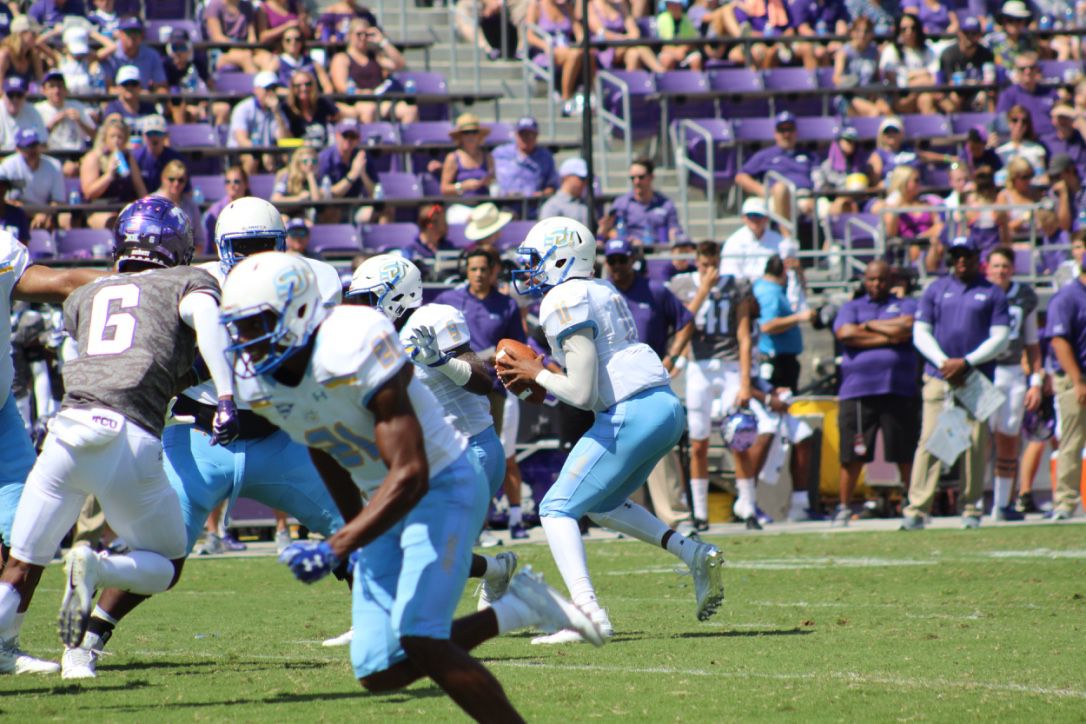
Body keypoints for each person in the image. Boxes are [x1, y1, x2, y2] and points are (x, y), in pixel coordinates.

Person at [221, 251, 598, 720]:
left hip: (443, 484)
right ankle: (518, 608)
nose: (245, 341)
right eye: (239, 327)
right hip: (385, 500)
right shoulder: (260, 382)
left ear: (298, 312)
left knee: (422, 638)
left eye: (255, 324)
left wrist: (339, 545)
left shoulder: (355, 341)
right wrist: (352, 529)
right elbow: (321, 444)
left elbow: (412, 471)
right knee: (378, 670)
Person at [58, 196, 353, 677]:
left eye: (266, 245)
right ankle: (86, 642)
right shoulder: (192, 283)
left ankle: (381, 623)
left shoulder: (314, 279)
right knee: (162, 559)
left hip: (278, 439)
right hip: (199, 437)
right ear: (220, 248)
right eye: (247, 246)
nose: (257, 256)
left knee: (352, 527)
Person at [0, 196, 235, 678]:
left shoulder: (87, 295)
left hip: (66, 434)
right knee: (165, 563)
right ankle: (98, 567)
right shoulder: (187, 281)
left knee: (20, 565)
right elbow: (204, 325)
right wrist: (226, 394)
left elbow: (123, 357)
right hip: (128, 437)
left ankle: (6, 645)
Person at [497, 216, 725, 642]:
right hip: (662, 405)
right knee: (601, 503)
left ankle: (587, 615)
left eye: (537, 260)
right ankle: (693, 553)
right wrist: (545, 376)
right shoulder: (599, 287)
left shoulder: (564, 297)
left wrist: (537, 373)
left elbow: (582, 394)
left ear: (561, 259)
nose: (528, 270)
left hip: (631, 411)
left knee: (554, 507)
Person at [348, 254, 519, 605]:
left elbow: (482, 380)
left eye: (368, 298)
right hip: (425, 458)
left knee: (425, 549)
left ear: (395, 295)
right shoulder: (381, 337)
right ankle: (496, 571)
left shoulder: (432, 319)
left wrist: (442, 362)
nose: (362, 309)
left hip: (471, 452)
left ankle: (494, 576)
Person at [902, 236, 1010, 530]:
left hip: (975, 376)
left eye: (966, 256)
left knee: (975, 443)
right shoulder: (936, 289)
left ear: (978, 257)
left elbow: (1000, 337)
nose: (961, 261)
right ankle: (917, 508)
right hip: (939, 375)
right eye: (956, 256)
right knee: (930, 440)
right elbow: (921, 332)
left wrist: (967, 362)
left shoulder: (993, 293)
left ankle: (971, 506)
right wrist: (942, 361)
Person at [668, 240, 768, 528]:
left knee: (739, 437)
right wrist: (703, 288)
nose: (708, 269)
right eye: (703, 264)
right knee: (698, 442)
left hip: (730, 365)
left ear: (720, 262)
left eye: (713, 264)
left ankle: (748, 508)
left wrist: (746, 383)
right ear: (696, 262)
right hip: (699, 366)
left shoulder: (736, 286)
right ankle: (700, 513)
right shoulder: (683, 284)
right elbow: (683, 323)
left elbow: (744, 335)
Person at [605, 238, 695, 529]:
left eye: (622, 259)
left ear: (633, 260)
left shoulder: (655, 290)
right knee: (622, 448)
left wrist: (671, 356)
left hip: (650, 380)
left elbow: (686, 321)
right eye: (612, 260)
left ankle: (676, 517)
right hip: (615, 382)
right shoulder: (602, 294)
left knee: (661, 444)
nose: (617, 266)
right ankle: (631, 517)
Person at [832, 260, 918, 527]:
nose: (876, 285)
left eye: (881, 280)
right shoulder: (851, 307)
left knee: (904, 452)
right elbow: (845, 333)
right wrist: (887, 334)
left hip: (898, 386)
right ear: (864, 280)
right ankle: (844, 507)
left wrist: (867, 327)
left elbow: (907, 328)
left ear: (891, 280)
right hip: (858, 390)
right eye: (871, 279)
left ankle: (911, 504)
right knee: (852, 453)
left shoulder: (906, 304)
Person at [436, 244, 527, 440]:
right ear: (465, 272)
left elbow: (518, 348)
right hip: (454, 384)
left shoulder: (507, 305)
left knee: (489, 446)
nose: (478, 274)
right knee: (452, 447)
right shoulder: (447, 300)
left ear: (492, 271)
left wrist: (501, 356)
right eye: (473, 269)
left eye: (483, 269)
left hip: (492, 386)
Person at [985, 247, 1040, 522]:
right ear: (987, 268)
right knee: (979, 440)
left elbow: (1032, 341)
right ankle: (970, 502)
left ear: (1012, 268)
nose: (1000, 271)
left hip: (1012, 371)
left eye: (1004, 265)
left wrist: (1036, 380)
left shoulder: (1023, 295)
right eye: (995, 265)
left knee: (1008, 438)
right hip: (983, 372)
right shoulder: (979, 291)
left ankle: (1001, 504)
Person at [1044, 261, 1086, 521]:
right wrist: (1077, 380)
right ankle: (1065, 502)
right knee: (1072, 441)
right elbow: (1059, 341)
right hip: (1076, 378)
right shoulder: (1067, 297)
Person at [328, 17, 415, 124]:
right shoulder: (342, 58)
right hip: (355, 102)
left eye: (366, 34)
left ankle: (404, 139)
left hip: (379, 100)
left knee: (409, 109)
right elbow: (341, 86)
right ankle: (369, 139)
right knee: (368, 108)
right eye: (359, 34)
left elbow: (400, 64)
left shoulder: (375, 56)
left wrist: (383, 42)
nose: (363, 38)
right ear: (350, 36)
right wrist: (361, 93)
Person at [735, 112, 818, 219]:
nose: (786, 134)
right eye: (782, 130)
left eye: (790, 130)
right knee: (780, 189)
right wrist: (761, 190)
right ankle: (786, 235)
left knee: (838, 206)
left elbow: (819, 178)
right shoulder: (765, 155)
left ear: (796, 132)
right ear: (775, 133)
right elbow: (741, 177)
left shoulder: (809, 155)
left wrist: (814, 196)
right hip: (778, 199)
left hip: (806, 196)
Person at [79, 115, 147, 229]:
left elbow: (140, 187)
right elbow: (89, 193)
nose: (116, 141)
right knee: (116, 222)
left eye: (120, 137)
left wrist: (148, 207)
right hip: (99, 209)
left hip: (124, 208)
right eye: (112, 136)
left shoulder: (128, 157)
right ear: (105, 138)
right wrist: (108, 176)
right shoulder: (94, 158)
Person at [525, 0, 590, 116]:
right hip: (545, 52)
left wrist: (581, 42)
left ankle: (591, 93)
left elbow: (579, 32)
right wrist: (546, 46)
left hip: (567, 49)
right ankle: (566, 98)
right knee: (574, 55)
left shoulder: (567, 8)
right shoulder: (536, 6)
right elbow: (529, 35)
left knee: (587, 53)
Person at [608, 157, 684, 246]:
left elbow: (674, 229)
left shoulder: (666, 204)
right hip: (630, 253)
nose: (636, 182)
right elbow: (612, 231)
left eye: (641, 177)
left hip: (659, 253)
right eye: (632, 178)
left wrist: (676, 237)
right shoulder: (621, 204)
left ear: (651, 177)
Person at [0, 129, 66, 232]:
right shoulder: (8, 166)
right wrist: (34, 214)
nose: (32, 150)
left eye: (34, 146)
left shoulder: (54, 165)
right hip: (16, 215)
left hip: (47, 215)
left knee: (64, 217)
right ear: (18, 149)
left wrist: (45, 214)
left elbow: (58, 200)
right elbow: (6, 200)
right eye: (27, 147)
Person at [227, 71, 289, 175]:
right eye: (267, 89)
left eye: (273, 89)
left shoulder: (277, 110)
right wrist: (262, 152)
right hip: (240, 154)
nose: (271, 93)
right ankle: (247, 190)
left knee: (287, 156)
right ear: (256, 90)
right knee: (251, 158)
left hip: (268, 154)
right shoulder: (243, 108)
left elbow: (283, 139)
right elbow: (241, 140)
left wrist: (276, 112)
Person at [880, 13, 939, 115]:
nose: (909, 32)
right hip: (901, 98)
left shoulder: (927, 50)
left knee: (925, 99)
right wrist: (922, 75)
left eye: (913, 28)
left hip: (925, 93)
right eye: (904, 29)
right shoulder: (891, 51)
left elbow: (934, 78)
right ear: (898, 31)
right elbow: (891, 80)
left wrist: (913, 75)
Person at [317, 118, 376, 222]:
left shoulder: (362, 157)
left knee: (382, 210)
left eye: (353, 136)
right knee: (332, 213)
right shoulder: (325, 158)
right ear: (337, 136)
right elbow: (326, 195)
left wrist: (362, 174)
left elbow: (375, 194)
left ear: (358, 139)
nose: (348, 140)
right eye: (345, 136)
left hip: (355, 207)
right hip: (330, 207)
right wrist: (353, 175)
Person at [833, 16, 891, 117]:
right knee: (874, 112)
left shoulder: (874, 52)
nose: (862, 35)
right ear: (852, 32)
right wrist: (850, 82)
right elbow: (836, 78)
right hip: (849, 97)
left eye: (866, 31)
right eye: (858, 30)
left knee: (887, 111)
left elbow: (876, 77)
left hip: (869, 94)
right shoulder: (844, 52)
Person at [493, 116, 558, 202]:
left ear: (536, 135)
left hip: (533, 207)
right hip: (505, 205)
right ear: (516, 135)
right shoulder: (500, 153)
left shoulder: (545, 157)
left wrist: (542, 194)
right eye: (522, 134)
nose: (525, 138)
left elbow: (553, 186)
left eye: (529, 134)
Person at [937, 18, 995, 114]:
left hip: (977, 93)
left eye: (974, 33)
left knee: (988, 96)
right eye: (966, 32)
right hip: (955, 93)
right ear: (959, 33)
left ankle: (990, 126)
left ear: (980, 35)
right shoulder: (949, 54)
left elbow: (989, 81)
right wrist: (974, 82)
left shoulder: (986, 54)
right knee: (954, 98)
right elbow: (950, 83)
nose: (969, 36)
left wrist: (978, 87)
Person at [587, 0, 663, 72]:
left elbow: (635, 32)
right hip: (604, 49)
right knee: (639, 46)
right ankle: (662, 72)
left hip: (624, 45)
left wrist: (625, 39)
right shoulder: (591, 6)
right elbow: (602, 33)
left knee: (633, 54)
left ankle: (631, 83)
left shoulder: (621, 4)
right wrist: (626, 38)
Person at [720, 197, 784, 281]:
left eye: (758, 215)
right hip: (742, 289)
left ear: (766, 218)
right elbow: (729, 272)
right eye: (750, 215)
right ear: (743, 218)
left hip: (771, 287)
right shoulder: (733, 242)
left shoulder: (779, 240)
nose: (754, 219)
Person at [997, 52, 1057, 139]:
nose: (1027, 71)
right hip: (1024, 141)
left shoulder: (1050, 92)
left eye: (1031, 68)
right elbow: (1001, 123)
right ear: (1017, 71)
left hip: (1051, 139)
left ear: (1037, 69)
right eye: (1022, 68)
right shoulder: (1008, 94)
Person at [34, 70, 94, 157]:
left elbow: (95, 136)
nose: (57, 90)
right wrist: (54, 122)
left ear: (65, 89)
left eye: (60, 86)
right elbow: (36, 140)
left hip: (77, 154)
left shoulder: (77, 106)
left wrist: (80, 121)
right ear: (44, 90)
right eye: (52, 86)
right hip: (52, 155)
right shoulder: (38, 110)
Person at [151, 159, 207, 254]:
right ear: (163, 178)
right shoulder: (151, 203)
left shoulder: (191, 206)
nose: (176, 184)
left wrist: (188, 259)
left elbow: (199, 241)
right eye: (172, 179)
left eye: (181, 180)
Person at [103, 17, 167, 91]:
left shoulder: (152, 55)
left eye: (136, 32)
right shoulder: (110, 54)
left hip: (144, 100)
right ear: (120, 34)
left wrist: (148, 96)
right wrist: (129, 93)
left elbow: (161, 87)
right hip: (116, 100)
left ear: (142, 35)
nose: (133, 36)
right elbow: (109, 88)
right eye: (129, 32)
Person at [441, 113, 495, 198]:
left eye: (474, 132)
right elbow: (444, 189)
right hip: (460, 205)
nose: (471, 136)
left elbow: (494, 182)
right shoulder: (452, 158)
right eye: (466, 132)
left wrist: (489, 182)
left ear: (479, 135)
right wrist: (463, 186)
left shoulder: (488, 157)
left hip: (485, 205)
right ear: (460, 136)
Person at [281, 69, 339, 148]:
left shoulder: (322, 103)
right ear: (292, 88)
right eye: (298, 85)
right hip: (299, 153)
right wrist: (301, 143)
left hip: (323, 149)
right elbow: (284, 140)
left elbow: (337, 117)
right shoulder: (287, 108)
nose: (304, 88)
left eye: (308, 84)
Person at [132, 114, 185, 198]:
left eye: (158, 133)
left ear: (165, 135)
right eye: (150, 133)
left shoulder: (175, 158)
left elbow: (186, 190)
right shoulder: (135, 157)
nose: (154, 137)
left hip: (168, 203)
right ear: (144, 136)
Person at [203, 0, 260, 74]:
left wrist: (250, 49)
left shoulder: (247, 6)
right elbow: (217, 37)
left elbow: (252, 37)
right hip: (221, 51)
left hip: (245, 48)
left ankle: (270, 84)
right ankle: (257, 85)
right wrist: (241, 50)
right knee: (245, 58)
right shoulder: (214, 5)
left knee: (268, 60)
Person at [274, 26, 333, 93]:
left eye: (297, 39)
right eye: (288, 40)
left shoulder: (313, 63)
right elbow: (271, 89)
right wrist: (294, 93)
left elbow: (328, 87)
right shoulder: (276, 62)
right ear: (282, 42)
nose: (293, 43)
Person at [995, 103, 1048, 176]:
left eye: (1024, 121)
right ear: (1008, 122)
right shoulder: (1000, 151)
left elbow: (1042, 177)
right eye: (1015, 120)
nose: (1019, 125)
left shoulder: (1037, 150)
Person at [203, 165, 249, 247]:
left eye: (236, 181)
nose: (232, 185)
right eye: (228, 182)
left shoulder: (253, 207)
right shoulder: (214, 211)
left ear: (246, 184)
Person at [0, 77, 46, 152]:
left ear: (25, 95)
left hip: (27, 157)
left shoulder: (33, 111)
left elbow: (43, 143)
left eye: (19, 95)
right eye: (10, 95)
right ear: (3, 95)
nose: (15, 99)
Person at [540, 157, 589, 224]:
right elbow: (547, 233)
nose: (585, 182)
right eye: (582, 178)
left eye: (587, 179)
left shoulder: (586, 204)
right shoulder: (552, 206)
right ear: (566, 177)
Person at [1043, 104, 1086, 182]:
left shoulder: (1081, 137)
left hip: (1081, 182)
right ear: (1053, 120)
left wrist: (1079, 118)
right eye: (1060, 118)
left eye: (1066, 117)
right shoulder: (1046, 141)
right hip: (1057, 183)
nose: (1063, 121)